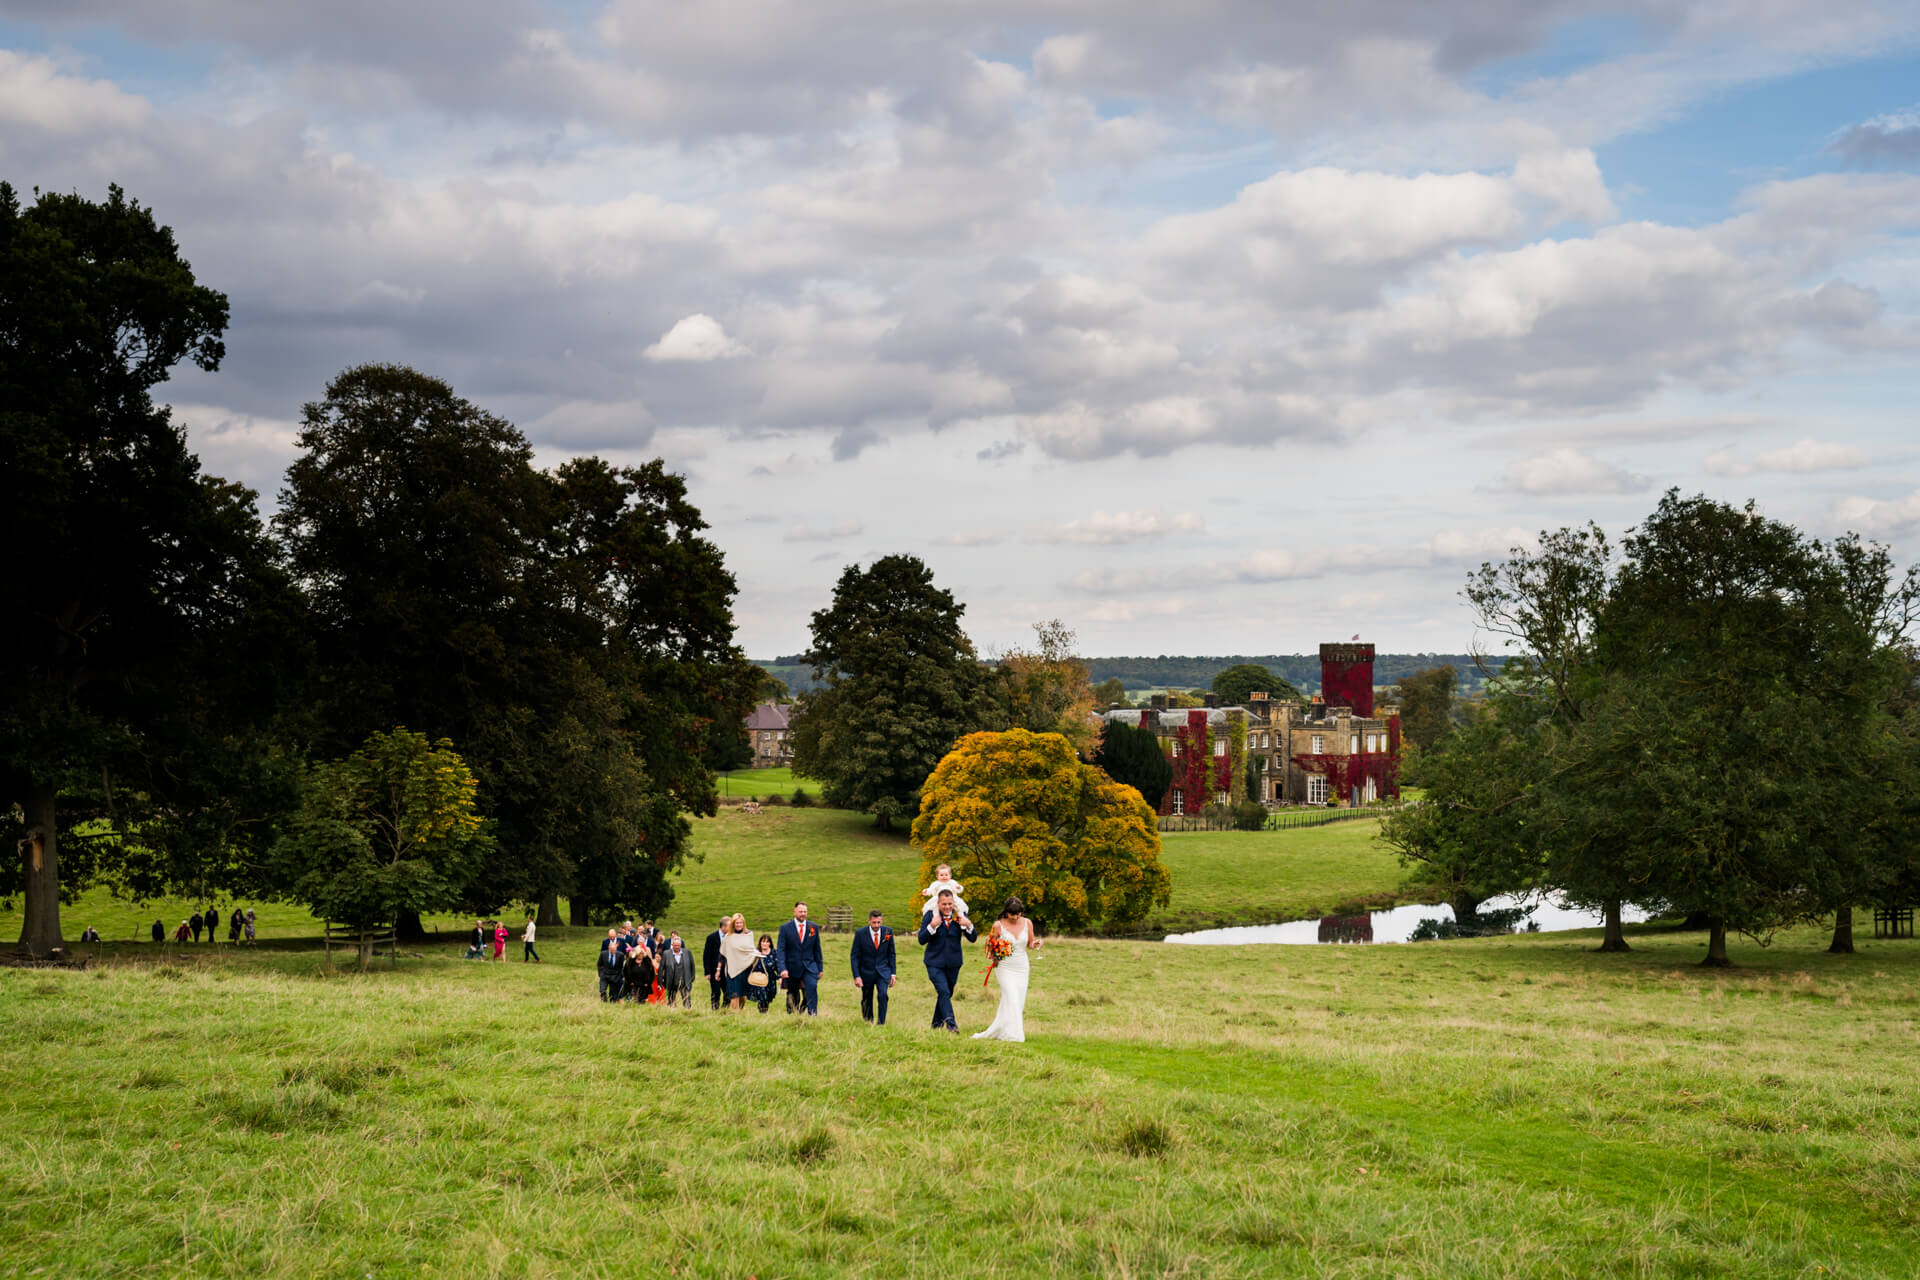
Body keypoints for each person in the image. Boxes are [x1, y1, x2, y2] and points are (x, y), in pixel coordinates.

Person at [973, 896, 1041, 1043]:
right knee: (1012, 997)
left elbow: (1029, 943)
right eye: (1012, 914)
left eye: (1018, 914)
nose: (1015, 917)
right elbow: (990, 945)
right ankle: (1014, 1036)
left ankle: (1002, 1030)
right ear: (1006, 912)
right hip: (1004, 966)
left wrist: (1035, 944)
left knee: (1018, 1000)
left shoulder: (1027, 923)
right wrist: (996, 953)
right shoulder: (998, 925)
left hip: (1022, 966)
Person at [917, 889, 976, 1032]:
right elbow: (921, 939)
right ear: (938, 903)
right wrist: (932, 925)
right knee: (943, 991)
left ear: (953, 903)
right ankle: (951, 1024)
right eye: (944, 904)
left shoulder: (960, 916)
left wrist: (968, 925)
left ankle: (936, 1026)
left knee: (946, 994)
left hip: (954, 963)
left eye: (950, 904)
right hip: (934, 963)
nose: (947, 907)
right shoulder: (931, 916)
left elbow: (973, 938)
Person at [777, 901, 825, 1016]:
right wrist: (782, 968)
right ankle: (792, 1014)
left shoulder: (813, 927)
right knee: (792, 992)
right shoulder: (785, 928)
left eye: (805, 911)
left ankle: (812, 1014)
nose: (803, 914)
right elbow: (781, 950)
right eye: (800, 911)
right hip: (792, 966)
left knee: (812, 987)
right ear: (794, 912)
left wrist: (820, 968)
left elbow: (817, 949)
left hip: (810, 966)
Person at [850, 908, 897, 1025]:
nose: (876, 925)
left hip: (883, 971)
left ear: (881, 921)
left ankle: (881, 1023)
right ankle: (868, 1021)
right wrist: (857, 976)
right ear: (869, 921)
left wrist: (893, 973)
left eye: (879, 922)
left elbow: (891, 954)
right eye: (874, 922)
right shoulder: (860, 933)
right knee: (867, 998)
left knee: (883, 995)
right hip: (866, 971)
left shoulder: (888, 932)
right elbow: (854, 956)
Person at [719, 913, 758, 1011]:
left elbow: (751, 950)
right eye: (737, 922)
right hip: (732, 969)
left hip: (745, 968)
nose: (739, 924)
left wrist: (758, 954)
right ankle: (734, 1015)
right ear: (733, 923)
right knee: (734, 994)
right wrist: (718, 969)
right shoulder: (728, 936)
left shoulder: (749, 934)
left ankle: (740, 1012)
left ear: (743, 923)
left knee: (743, 996)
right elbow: (723, 953)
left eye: (741, 922)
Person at [659, 933, 695, 1007]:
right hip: (671, 980)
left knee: (687, 999)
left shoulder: (687, 952)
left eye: (678, 945)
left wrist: (692, 977)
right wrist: (660, 981)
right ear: (672, 945)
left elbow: (692, 966)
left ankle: (687, 1012)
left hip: (685, 980)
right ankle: (672, 1012)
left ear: (681, 945)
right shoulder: (666, 953)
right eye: (675, 945)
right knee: (671, 1000)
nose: (677, 947)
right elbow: (661, 967)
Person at [747, 934, 781, 1012]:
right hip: (758, 978)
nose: (765, 944)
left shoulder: (774, 953)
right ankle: (762, 1011)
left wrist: (780, 977)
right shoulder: (755, 952)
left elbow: (778, 965)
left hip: (770, 979)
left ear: (770, 943)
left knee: (768, 998)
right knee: (762, 996)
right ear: (760, 943)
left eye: (767, 942)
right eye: (763, 942)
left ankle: (764, 1011)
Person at [702, 916, 728, 1010]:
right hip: (714, 970)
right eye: (729, 926)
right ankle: (715, 1009)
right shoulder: (711, 937)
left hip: (726, 971)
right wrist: (707, 972)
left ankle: (724, 1009)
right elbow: (706, 955)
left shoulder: (730, 937)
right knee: (716, 992)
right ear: (723, 926)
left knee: (728, 992)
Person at [597, 934, 622, 1002]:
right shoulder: (603, 954)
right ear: (609, 948)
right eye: (612, 950)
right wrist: (600, 974)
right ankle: (603, 999)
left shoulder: (620, 955)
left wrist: (619, 976)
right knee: (602, 990)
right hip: (605, 974)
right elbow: (599, 964)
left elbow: (621, 967)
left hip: (614, 976)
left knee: (613, 996)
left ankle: (612, 1001)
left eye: (615, 950)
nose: (613, 951)